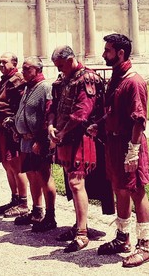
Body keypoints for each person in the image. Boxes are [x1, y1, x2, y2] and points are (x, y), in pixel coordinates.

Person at [91, 33, 149, 268]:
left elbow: (139, 120)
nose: (104, 54)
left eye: (107, 51)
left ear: (120, 53)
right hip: (113, 143)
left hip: (129, 144)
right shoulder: (116, 78)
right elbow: (113, 110)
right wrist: (101, 124)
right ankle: (122, 238)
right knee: (119, 189)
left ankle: (144, 246)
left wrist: (133, 152)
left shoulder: (134, 81)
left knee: (136, 190)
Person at [48, 45, 104, 252]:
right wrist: (51, 126)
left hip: (81, 138)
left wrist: (62, 132)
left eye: (62, 65)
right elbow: (52, 107)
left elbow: (82, 112)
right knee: (72, 184)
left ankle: (82, 233)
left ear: (71, 59)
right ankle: (80, 225)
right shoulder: (63, 79)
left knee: (76, 183)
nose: (60, 70)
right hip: (64, 137)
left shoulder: (86, 78)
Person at [13, 56, 57, 232]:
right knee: (31, 176)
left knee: (44, 177)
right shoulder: (28, 87)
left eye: (27, 69)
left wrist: (40, 140)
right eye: (23, 69)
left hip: (38, 142)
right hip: (26, 141)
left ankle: (50, 216)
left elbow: (49, 115)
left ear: (38, 70)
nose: (23, 72)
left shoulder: (45, 87)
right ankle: (37, 211)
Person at [0, 52, 28, 218]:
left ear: (14, 63)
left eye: (4, 62)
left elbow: (20, 105)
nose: (1, 65)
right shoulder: (4, 80)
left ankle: (23, 202)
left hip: (11, 130)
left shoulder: (17, 80)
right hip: (0, 129)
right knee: (7, 165)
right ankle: (14, 198)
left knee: (16, 165)